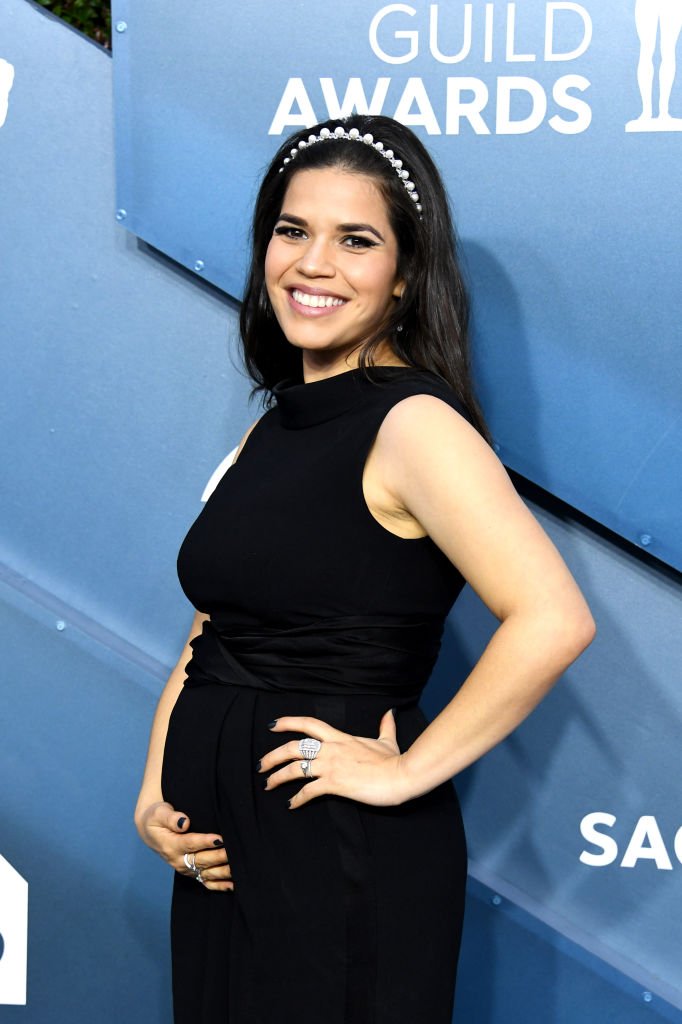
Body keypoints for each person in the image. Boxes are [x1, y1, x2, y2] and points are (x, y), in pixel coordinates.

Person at [134, 114, 596, 1023]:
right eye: (293, 231)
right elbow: (214, 629)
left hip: (337, 850)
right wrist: (158, 788)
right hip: (226, 853)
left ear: (406, 275)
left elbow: (554, 617)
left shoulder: (414, 424)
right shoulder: (276, 423)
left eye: (356, 240)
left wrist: (402, 771)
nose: (313, 264)